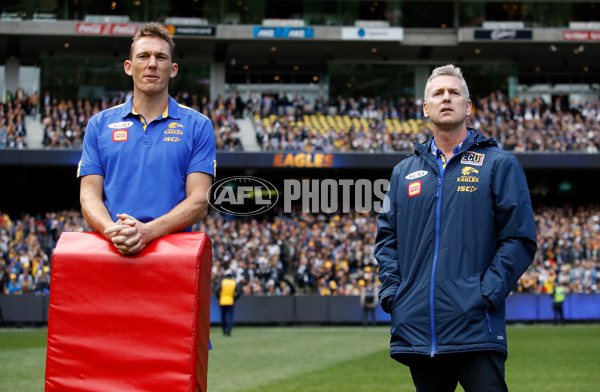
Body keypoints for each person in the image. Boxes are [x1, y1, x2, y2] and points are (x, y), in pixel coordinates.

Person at [375, 64, 537, 392]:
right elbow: (386, 239)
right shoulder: (402, 173)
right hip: (419, 330)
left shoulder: (499, 164)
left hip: (476, 326)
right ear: (425, 108)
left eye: (454, 93)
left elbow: (518, 237)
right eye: (438, 93)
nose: (446, 98)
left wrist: (485, 294)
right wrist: (395, 295)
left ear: (468, 106)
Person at [78, 22, 216, 254]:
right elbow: (88, 194)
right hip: (114, 252)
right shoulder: (99, 125)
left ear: (173, 69)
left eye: (160, 57)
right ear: (129, 67)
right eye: (144, 56)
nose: (152, 64)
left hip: (173, 259)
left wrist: (148, 231)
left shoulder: (198, 126)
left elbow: (200, 201)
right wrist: (112, 231)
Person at [216, 271, 241, 336]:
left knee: (223, 316)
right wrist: (234, 299)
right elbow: (239, 292)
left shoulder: (223, 282)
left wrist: (219, 297)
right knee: (230, 316)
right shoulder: (233, 283)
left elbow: (216, 290)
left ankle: (224, 330)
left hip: (222, 301)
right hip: (230, 301)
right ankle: (229, 330)